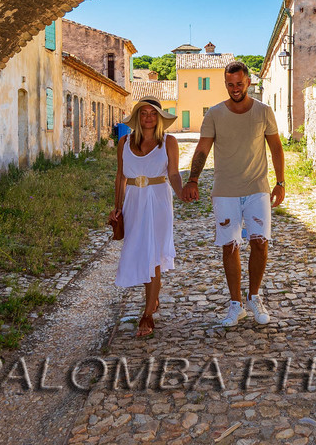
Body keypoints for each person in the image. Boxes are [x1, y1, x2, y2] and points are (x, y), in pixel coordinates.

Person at [180, 61, 285, 327]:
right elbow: (202, 149)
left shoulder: (263, 111)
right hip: (225, 191)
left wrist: (281, 182)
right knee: (230, 246)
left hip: (257, 189)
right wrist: (192, 179)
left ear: (248, 82)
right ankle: (236, 304)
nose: (235, 88)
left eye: (239, 84)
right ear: (225, 84)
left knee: (260, 242)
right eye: (230, 84)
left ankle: (254, 297)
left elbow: (276, 149)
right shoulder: (214, 114)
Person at [111, 98, 182, 338]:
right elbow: (120, 176)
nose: (149, 117)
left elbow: (173, 173)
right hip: (133, 200)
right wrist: (117, 207)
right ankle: (153, 299)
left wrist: (182, 192)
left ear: (160, 117)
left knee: (153, 255)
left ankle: (148, 312)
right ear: (137, 117)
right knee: (142, 251)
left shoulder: (169, 142)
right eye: (144, 113)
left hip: (159, 200)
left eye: (153, 113)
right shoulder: (125, 141)